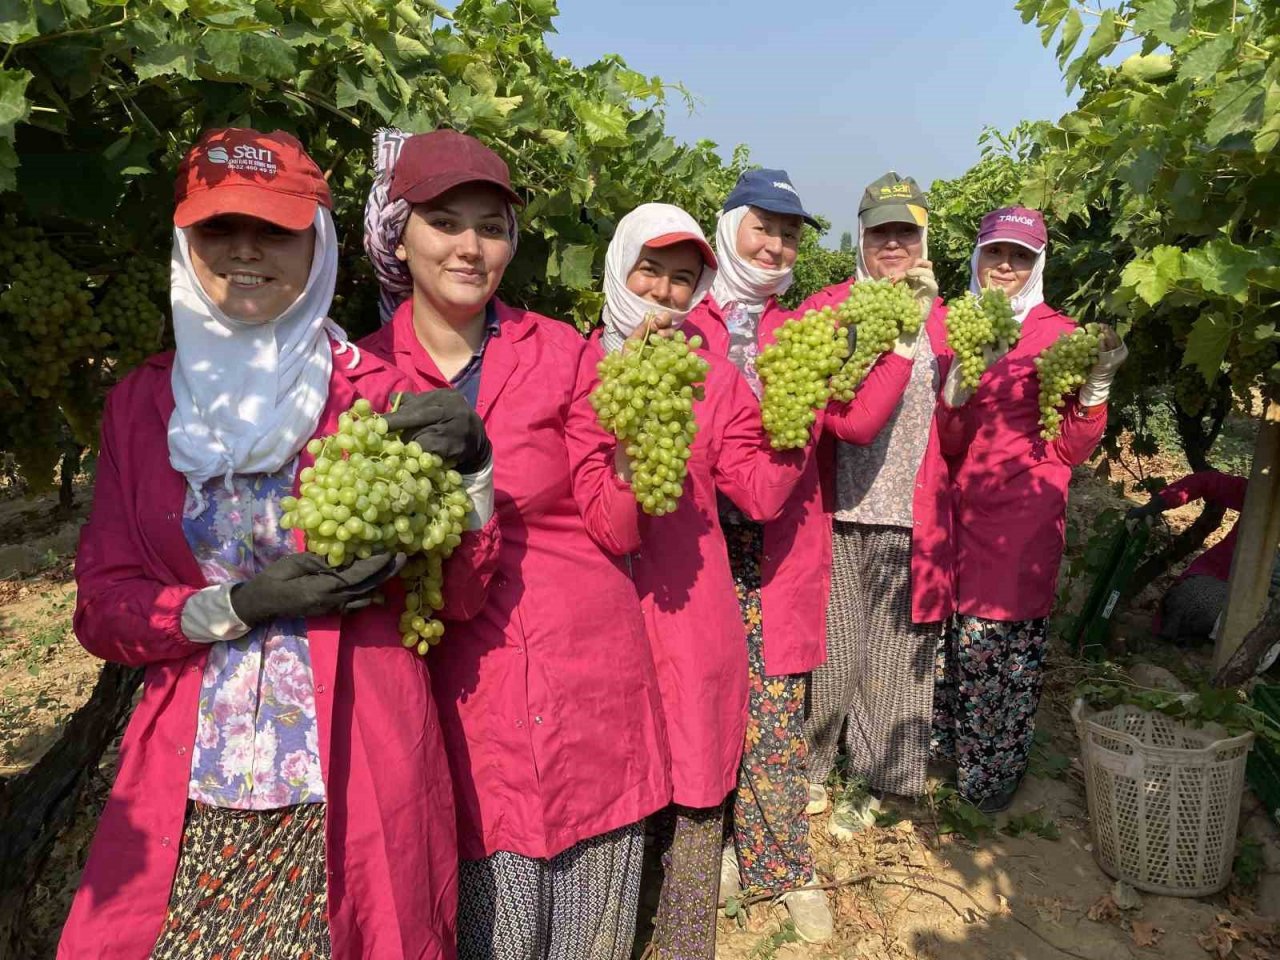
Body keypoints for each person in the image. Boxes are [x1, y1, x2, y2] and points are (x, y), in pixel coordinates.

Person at [60, 128, 497, 959]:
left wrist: (475, 473)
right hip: (197, 781)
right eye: (219, 229)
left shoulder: (381, 397)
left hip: (353, 771)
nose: (245, 251)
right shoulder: (141, 407)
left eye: (275, 231)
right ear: (186, 245)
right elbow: (102, 610)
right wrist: (236, 605)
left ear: (319, 245)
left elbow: (463, 595)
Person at [360, 129, 671, 960]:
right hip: (462, 697)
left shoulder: (562, 352)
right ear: (399, 236)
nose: (470, 246)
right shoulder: (363, 379)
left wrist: (639, 447)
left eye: (492, 228)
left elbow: (615, 526)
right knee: (481, 920)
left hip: (586, 674)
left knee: (587, 934)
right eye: (444, 222)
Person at [684, 170, 913, 943]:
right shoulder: (683, 319)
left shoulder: (803, 325)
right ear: (729, 228)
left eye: (789, 234)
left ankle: (781, 864)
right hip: (696, 547)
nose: (777, 245)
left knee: (776, 709)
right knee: (702, 702)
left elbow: (855, 422)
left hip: (775, 541)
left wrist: (898, 348)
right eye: (764, 227)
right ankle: (708, 851)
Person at [591, 202, 820, 958]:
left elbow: (757, 492)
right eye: (649, 270)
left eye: (682, 279)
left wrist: (798, 418)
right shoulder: (571, 363)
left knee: (694, 782)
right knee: (613, 799)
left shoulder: (710, 377)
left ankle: (685, 941)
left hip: (689, 610)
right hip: (598, 615)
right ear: (618, 266)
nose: (663, 292)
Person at [932, 206, 1127, 812]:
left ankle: (988, 784)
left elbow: (1070, 448)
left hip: (1020, 519)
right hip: (949, 513)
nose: (1005, 265)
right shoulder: (951, 325)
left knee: (998, 648)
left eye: (1020, 256)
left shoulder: (1061, 336)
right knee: (944, 642)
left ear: (1038, 265)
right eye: (995, 252)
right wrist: (956, 393)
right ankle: (941, 760)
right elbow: (945, 442)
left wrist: (1095, 388)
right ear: (977, 255)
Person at [801, 173, 956, 824]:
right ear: (861, 237)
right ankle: (810, 767)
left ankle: (876, 779)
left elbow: (959, 431)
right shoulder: (828, 308)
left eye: (906, 233)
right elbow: (814, 409)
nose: (893, 244)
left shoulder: (946, 320)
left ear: (924, 240)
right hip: (835, 509)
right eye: (880, 232)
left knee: (893, 656)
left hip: (911, 513)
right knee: (832, 653)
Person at [1127, 470, 1251, 643]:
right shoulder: (1263, 496)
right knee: (1196, 602)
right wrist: (1156, 505)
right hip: (1220, 583)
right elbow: (1207, 481)